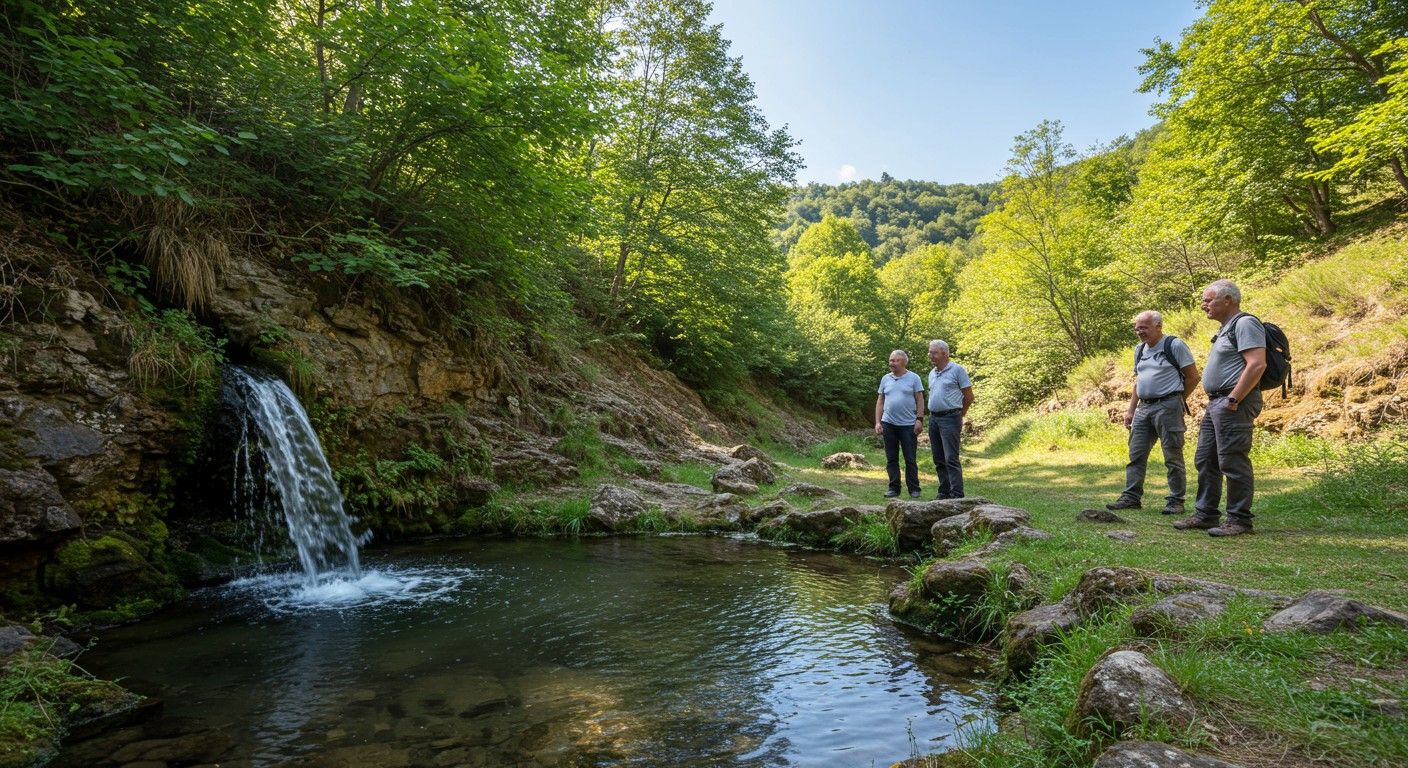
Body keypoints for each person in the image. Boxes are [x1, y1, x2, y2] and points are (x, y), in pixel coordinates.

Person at [1174, 279, 1267, 537]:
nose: (1204, 305)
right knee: (1206, 460)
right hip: (1217, 402)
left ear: (1228, 299)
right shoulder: (1226, 328)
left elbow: (1257, 364)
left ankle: (1239, 520)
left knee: (1232, 461)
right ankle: (1205, 514)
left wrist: (1234, 399)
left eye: (1208, 299)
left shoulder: (1245, 323)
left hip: (1233, 403)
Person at [1106, 311, 1199, 514]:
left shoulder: (1174, 345)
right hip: (1143, 408)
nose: (1140, 332)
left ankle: (1176, 501)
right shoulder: (1139, 350)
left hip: (1168, 406)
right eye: (1137, 328)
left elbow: (1193, 377)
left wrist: (1177, 400)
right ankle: (1131, 497)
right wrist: (1130, 410)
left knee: (1172, 455)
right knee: (1136, 454)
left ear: (1158, 326)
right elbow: (1139, 381)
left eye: (1144, 328)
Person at [925, 340, 973, 500]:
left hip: (950, 417)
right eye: (929, 352)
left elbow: (969, 396)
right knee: (938, 458)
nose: (930, 355)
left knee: (950, 458)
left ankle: (956, 494)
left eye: (934, 352)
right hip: (933, 419)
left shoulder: (957, 370)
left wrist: (960, 415)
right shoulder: (932, 373)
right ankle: (944, 492)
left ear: (945, 354)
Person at [875, 349, 925, 498]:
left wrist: (919, 419)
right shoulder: (885, 379)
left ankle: (914, 488)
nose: (892, 363)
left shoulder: (914, 378)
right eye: (891, 360)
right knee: (891, 458)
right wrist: (878, 422)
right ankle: (894, 488)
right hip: (888, 423)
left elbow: (920, 399)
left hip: (908, 424)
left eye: (895, 360)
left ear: (904, 362)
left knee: (910, 458)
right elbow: (880, 400)